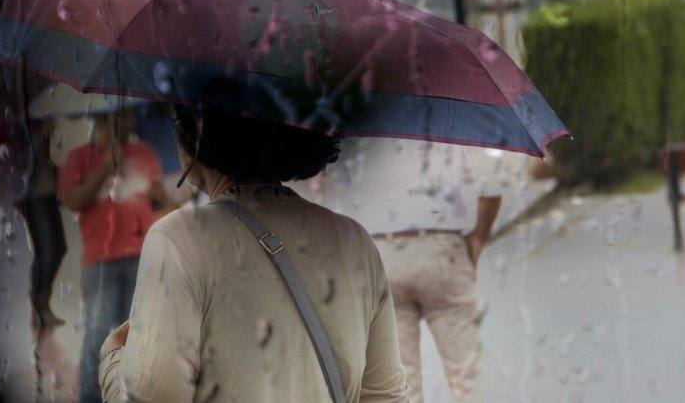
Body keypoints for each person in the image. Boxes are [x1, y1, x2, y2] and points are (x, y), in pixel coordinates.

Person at [97, 98, 409, 401]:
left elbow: (150, 396)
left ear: (195, 141)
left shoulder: (178, 238)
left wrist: (112, 362)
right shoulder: (355, 241)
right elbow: (386, 396)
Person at [313, 138, 508, 403]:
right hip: (442, 247)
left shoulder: (361, 123)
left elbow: (327, 190)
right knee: (467, 376)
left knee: (400, 380)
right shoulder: (451, 120)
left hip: (379, 253)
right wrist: (478, 238)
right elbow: (492, 186)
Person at [57, 109, 169, 403]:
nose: (121, 123)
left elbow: (155, 202)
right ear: (98, 121)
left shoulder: (145, 152)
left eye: (126, 116)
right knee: (97, 337)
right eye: (112, 118)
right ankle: (91, 399)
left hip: (141, 257)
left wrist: (158, 196)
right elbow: (73, 201)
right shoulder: (79, 157)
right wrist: (106, 167)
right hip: (101, 262)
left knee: (137, 333)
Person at [17, 117, 67, 330]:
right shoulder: (24, 126)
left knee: (56, 248)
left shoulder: (43, 131)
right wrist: (39, 136)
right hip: (34, 195)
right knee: (48, 251)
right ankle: (38, 305)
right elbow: (21, 160)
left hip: (45, 192)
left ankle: (40, 304)